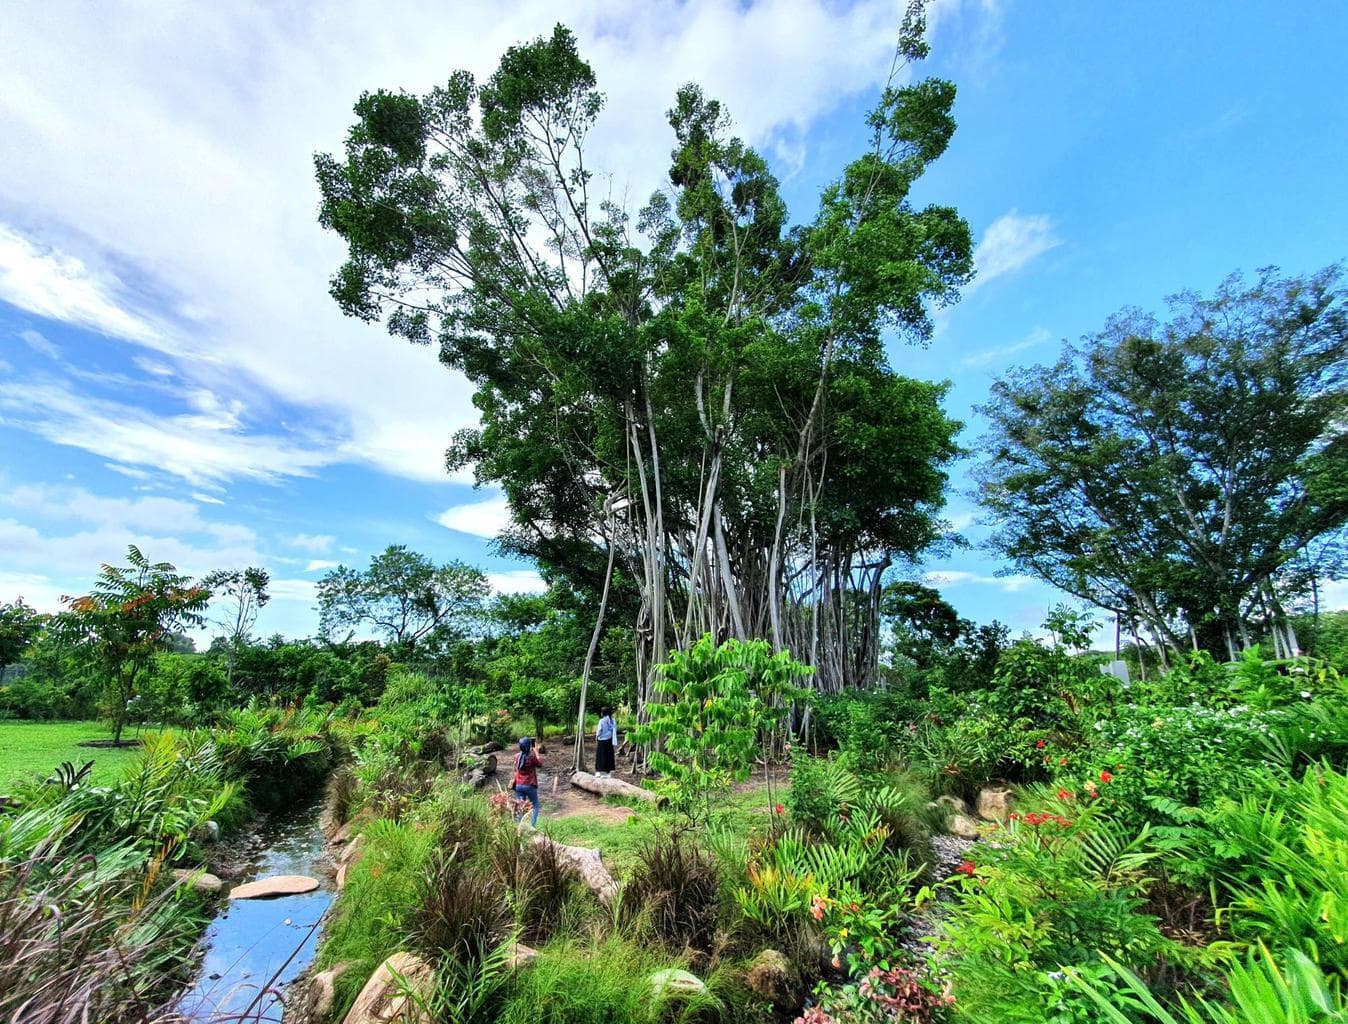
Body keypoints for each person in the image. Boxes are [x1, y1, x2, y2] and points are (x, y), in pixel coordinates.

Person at [512, 736, 543, 827]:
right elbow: (540, 764)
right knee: (535, 804)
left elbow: (515, 768)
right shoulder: (531, 757)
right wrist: (537, 752)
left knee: (520, 806)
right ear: (529, 746)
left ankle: (519, 827)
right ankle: (532, 826)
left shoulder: (516, 756)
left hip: (518, 785)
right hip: (530, 785)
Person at [595, 706, 617, 778]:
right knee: (609, 756)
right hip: (609, 741)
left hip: (601, 741)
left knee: (600, 756)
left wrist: (597, 736)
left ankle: (599, 772)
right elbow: (615, 730)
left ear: (603, 713)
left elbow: (599, 731)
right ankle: (608, 773)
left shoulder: (601, 721)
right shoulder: (613, 720)